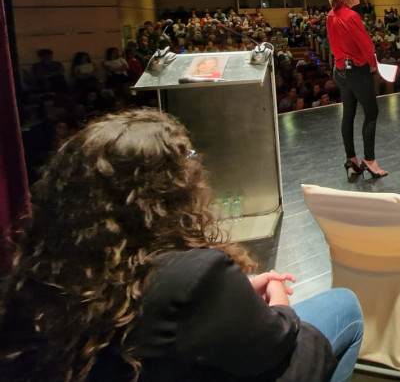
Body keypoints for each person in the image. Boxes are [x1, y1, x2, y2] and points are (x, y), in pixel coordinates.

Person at [0, 109, 364, 382]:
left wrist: (232, 297)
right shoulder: (193, 274)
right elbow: (276, 343)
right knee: (343, 307)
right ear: (165, 190)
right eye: (189, 160)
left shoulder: (35, 274)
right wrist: (280, 299)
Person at [325, 0, 387, 179]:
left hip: (340, 71)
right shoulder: (351, 16)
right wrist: (373, 65)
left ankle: (350, 160)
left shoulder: (331, 15)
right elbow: (367, 46)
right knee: (371, 113)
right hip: (357, 72)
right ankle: (369, 161)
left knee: (348, 114)